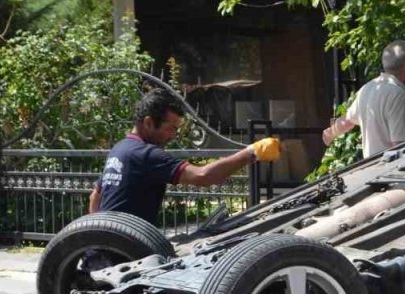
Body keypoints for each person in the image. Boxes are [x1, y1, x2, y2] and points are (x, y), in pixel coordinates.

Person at [90, 89, 281, 225]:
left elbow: (96, 196)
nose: (173, 136)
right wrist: (252, 152)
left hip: (106, 249)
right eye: (171, 128)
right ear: (148, 123)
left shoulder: (120, 150)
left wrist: (99, 236)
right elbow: (202, 176)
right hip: (124, 255)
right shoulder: (146, 154)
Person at [322, 40, 405, 158]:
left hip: (372, 171)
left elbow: (347, 121)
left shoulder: (368, 88)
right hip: (392, 172)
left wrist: (330, 133)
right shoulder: (397, 94)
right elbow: (401, 147)